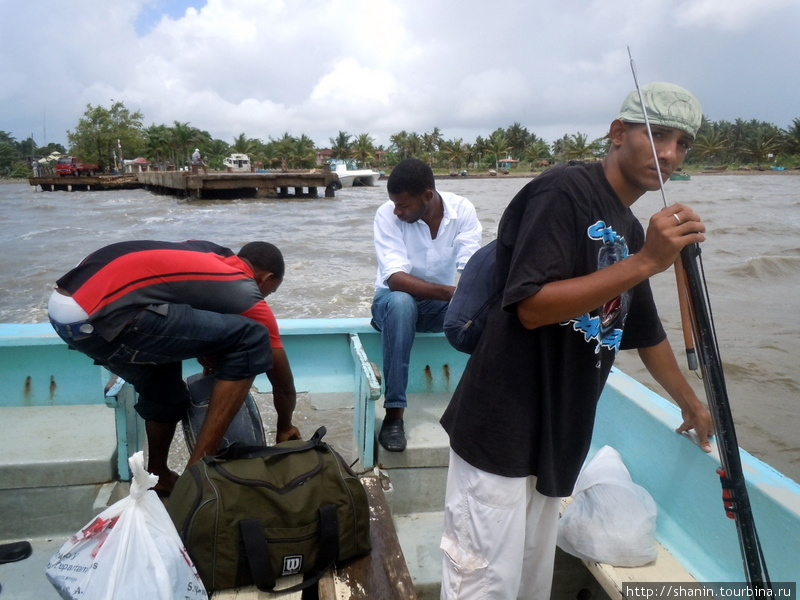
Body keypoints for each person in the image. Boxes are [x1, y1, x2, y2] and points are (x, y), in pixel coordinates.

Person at [439, 82, 715, 599]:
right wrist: (648, 262)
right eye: (659, 136)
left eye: (683, 143)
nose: (670, 154)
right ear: (617, 133)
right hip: (502, 426)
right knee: (481, 583)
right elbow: (530, 306)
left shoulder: (632, 229)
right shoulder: (562, 192)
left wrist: (691, 402)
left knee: (527, 585)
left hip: (559, 436)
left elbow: (645, 330)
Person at [47, 240, 300, 496]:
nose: (266, 296)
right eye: (272, 290)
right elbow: (282, 381)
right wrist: (284, 426)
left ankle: (159, 476)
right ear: (266, 277)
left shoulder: (210, 253)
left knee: (165, 383)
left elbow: (178, 294)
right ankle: (198, 476)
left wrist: (207, 348)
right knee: (253, 337)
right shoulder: (244, 291)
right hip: (106, 315)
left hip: (65, 312)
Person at [371, 158, 482, 452]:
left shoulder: (463, 212)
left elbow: (470, 266)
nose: (397, 210)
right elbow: (395, 279)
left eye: (403, 205)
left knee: (489, 316)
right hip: (391, 302)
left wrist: (476, 300)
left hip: (436, 307)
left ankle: (483, 405)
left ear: (428, 196)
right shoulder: (386, 215)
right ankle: (394, 414)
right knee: (401, 304)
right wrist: (450, 294)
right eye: (394, 203)